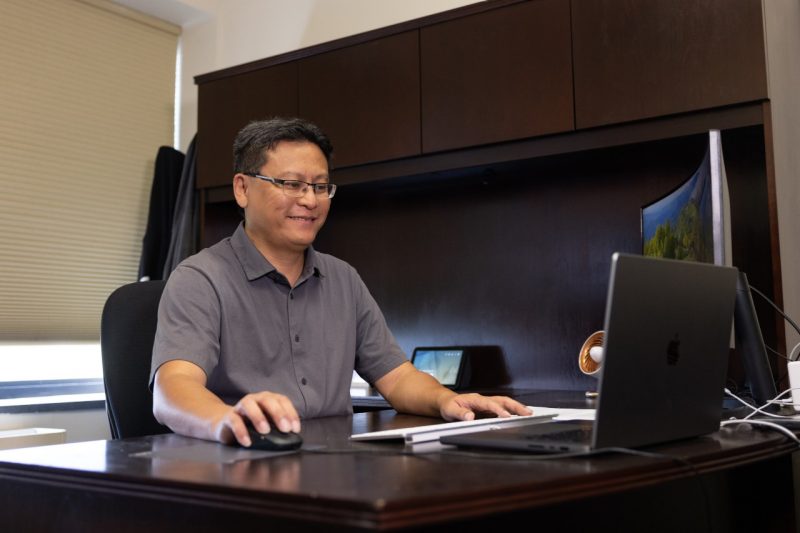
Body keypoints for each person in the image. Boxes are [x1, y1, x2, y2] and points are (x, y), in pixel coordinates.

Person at [150, 117, 531, 447]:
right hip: (242, 463)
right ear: (242, 188)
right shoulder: (200, 279)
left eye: (320, 186)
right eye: (292, 184)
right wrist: (227, 420)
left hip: (334, 464)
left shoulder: (343, 279)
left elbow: (397, 377)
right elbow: (171, 391)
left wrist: (447, 401)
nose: (310, 201)